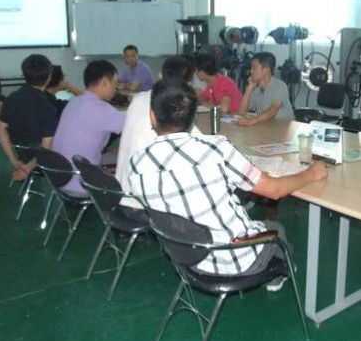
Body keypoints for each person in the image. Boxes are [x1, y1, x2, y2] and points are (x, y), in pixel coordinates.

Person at [127, 79, 328, 290]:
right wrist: (311, 173)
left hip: (186, 259)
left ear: (152, 115)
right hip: (237, 259)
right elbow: (274, 191)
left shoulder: (137, 163)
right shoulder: (216, 149)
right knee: (276, 228)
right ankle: (277, 276)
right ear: (193, 116)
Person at [115, 55, 197, 189]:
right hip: (146, 192)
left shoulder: (138, 98)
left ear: (160, 74)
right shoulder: (178, 105)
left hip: (123, 185)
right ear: (188, 83)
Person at [52, 60, 125, 195]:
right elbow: (133, 125)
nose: (116, 88)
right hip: (82, 183)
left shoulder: (73, 102)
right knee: (128, 160)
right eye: (115, 83)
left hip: (59, 176)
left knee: (112, 153)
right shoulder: (103, 109)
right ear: (104, 82)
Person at [0, 54, 58, 180]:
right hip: (41, 161)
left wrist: (14, 160)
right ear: (49, 77)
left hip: (22, 154)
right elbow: (47, 147)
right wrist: (28, 168)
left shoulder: (12, 98)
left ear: (24, 75)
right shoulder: (48, 106)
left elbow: (1, 128)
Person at [237, 52, 294, 126]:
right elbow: (241, 112)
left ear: (266, 69)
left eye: (254, 68)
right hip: (266, 125)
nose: (251, 71)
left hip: (283, 127)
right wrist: (249, 88)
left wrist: (252, 121)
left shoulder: (280, 86)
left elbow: (273, 110)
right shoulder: (255, 89)